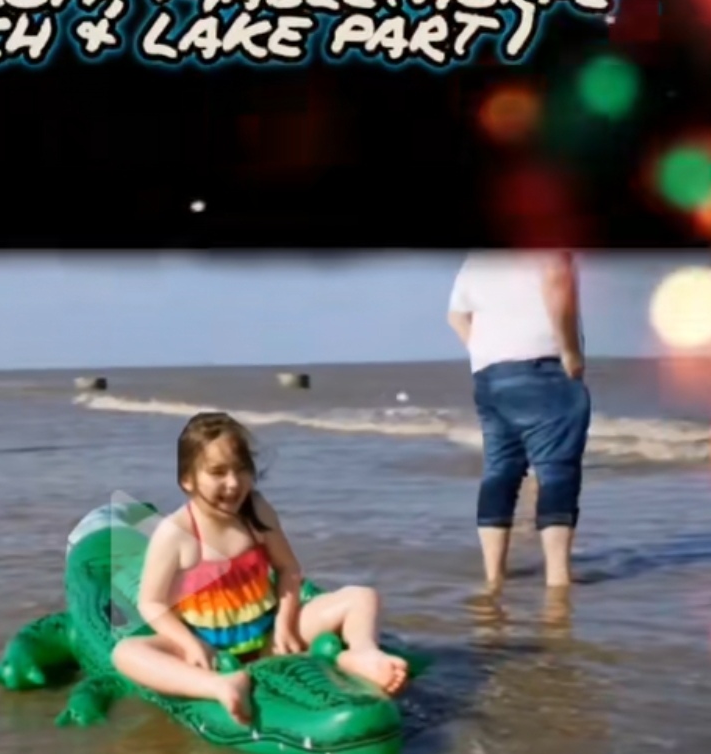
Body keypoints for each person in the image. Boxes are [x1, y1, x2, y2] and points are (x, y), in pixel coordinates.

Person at [111, 411, 409, 726]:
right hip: (210, 646)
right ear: (187, 479)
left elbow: (289, 570)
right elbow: (151, 602)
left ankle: (362, 653)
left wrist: (284, 625)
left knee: (362, 597)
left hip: (268, 634)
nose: (233, 483)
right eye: (217, 472)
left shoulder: (256, 510)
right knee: (127, 653)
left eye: (241, 470)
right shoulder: (176, 533)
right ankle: (219, 686)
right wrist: (190, 644)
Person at [447, 250, 591, 591]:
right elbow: (557, 278)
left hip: (490, 375)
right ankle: (558, 580)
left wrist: (488, 353)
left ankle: (493, 577)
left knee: (500, 471)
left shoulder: (475, 260)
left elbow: (455, 316)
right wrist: (570, 350)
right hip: (543, 367)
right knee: (556, 470)